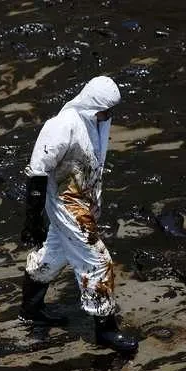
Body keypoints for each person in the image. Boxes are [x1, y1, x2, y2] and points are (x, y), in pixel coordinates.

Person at [19, 75, 138, 353]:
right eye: (105, 109)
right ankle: (106, 331)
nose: (108, 115)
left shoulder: (98, 123)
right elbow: (37, 171)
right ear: (91, 103)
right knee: (98, 262)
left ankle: (30, 309)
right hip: (65, 204)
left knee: (53, 254)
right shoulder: (62, 126)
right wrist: (32, 218)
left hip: (83, 202)